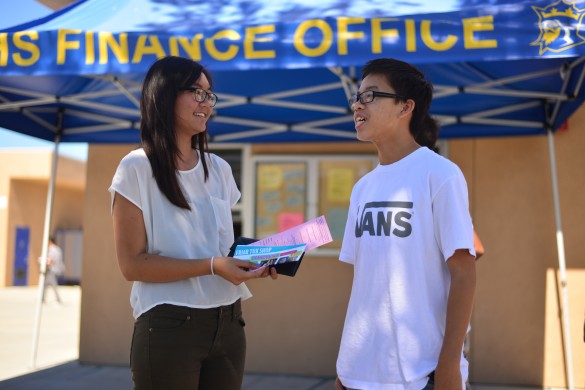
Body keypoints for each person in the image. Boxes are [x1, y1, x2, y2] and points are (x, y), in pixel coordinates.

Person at [109, 56, 276, 390]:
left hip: (229, 321)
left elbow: (216, 246)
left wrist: (257, 258)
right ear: (164, 95)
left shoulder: (219, 168)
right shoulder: (136, 168)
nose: (206, 104)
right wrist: (215, 266)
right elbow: (132, 265)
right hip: (169, 324)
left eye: (210, 95)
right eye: (197, 93)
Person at [335, 58, 477, 390]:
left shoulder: (440, 174)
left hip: (419, 375)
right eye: (357, 96)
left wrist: (449, 365)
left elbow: (464, 272)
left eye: (370, 95)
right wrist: (345, 366)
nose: (357, 104)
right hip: (359, 374)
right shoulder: (362, 188)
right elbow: (367, 289)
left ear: (405, 107)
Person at [41, 235, 64, 304]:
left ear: (50, 241)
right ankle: (43, 298)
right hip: (57, 269)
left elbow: (51, 260)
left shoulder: (52, 249)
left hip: (52, 270)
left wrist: (43, 261)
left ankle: (43, 299)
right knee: (49, 284)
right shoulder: (58, 249)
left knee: (48, 284)